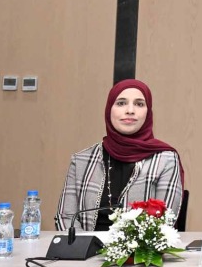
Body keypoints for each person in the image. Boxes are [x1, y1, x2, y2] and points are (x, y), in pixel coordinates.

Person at [55, 79, 185, 231]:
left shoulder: (165, 160)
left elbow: (164, 221)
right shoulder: (81, 160)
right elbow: (65, 217)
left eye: (139, 104)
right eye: (121, 103)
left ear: (148, 113)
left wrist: (124, 245)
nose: (130, 110)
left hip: (139, 246)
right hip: (85, 245)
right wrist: (83, 244)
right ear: (109, 109)